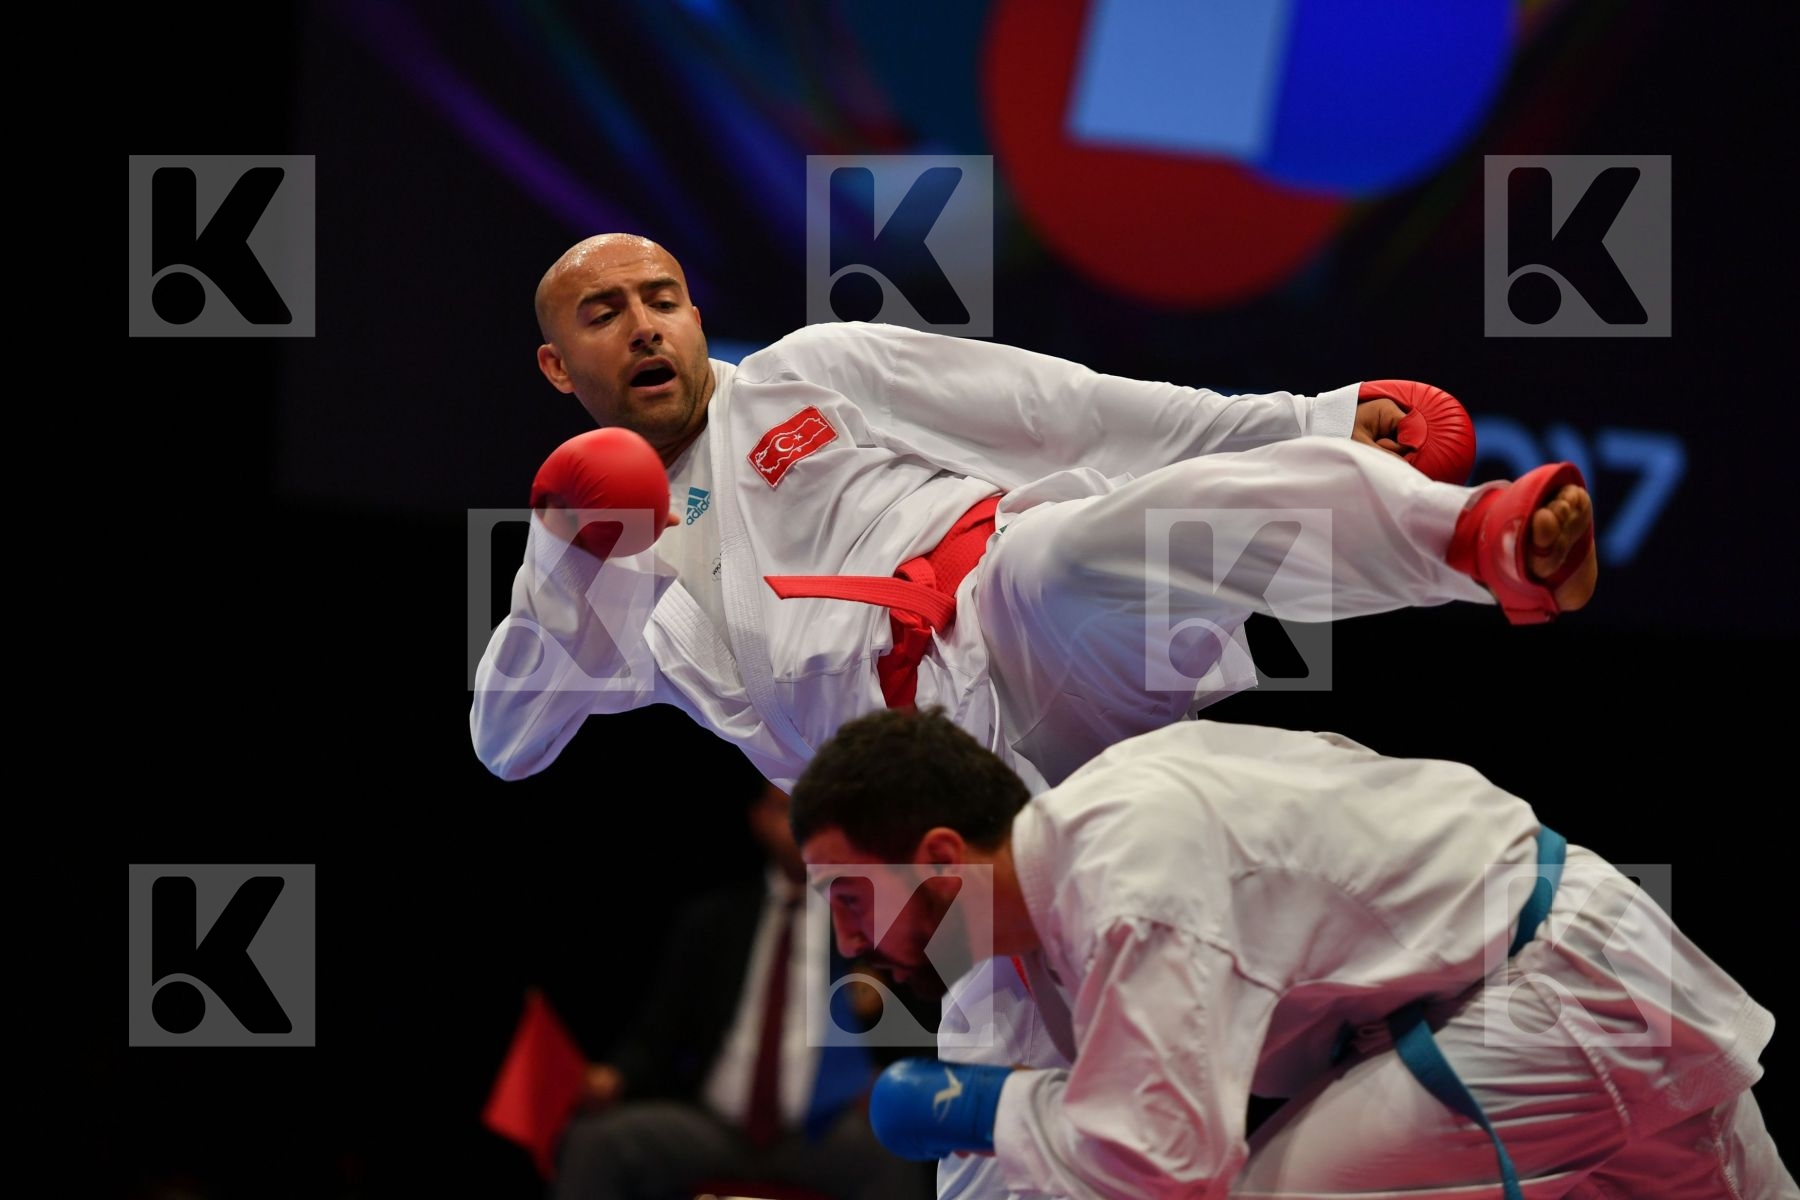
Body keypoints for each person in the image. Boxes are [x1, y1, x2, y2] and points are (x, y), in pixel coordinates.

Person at [471, 233, 1599, 792]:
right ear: (556, 366)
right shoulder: (588, 557)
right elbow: (507, 747)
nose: (645, 325)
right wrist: (573, 556)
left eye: (663, 299)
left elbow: (1074, 415)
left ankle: (1474, 539)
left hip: (1002, 618)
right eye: (604, 313)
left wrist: (1311, 418)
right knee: (1042, 1067)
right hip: (919, 799)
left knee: (1085, 550)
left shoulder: (807, 371)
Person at [787, 706, 1792, 1198]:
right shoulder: (1042, 938)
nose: (846, 941)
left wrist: (979, 1108)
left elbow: (1170, 1162)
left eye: (849, 896)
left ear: (940, 860)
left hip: (1549, 991)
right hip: (1539, 991)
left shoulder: (1126, 867)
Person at [553, 782, 932, 1200]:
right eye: (786, 809)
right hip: (715, 1126)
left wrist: (888, 1080)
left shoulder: (871, 924)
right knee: (595, 1142)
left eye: (818, 813)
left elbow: (921, 1029)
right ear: (759, 820)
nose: (803, 827)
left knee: (897, 1149)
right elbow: (658, 1033)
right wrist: (615, 1077)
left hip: (823, 1131)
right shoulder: (713, 921)